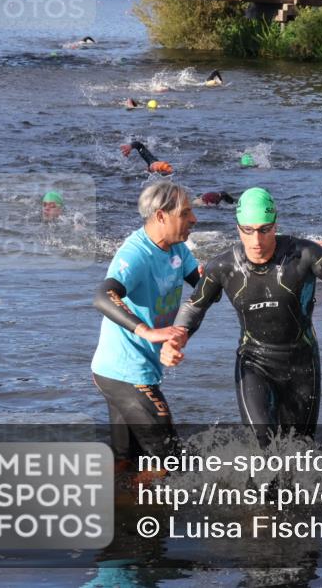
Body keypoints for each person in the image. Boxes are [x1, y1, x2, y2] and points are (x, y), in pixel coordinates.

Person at [161, 188, 322, 446]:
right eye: (247, 230)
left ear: (276, 225)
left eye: (264, 229)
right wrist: (177, 337)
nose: (256, 240)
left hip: (302, 364)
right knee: (262, 443)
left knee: (300, 448)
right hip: (254, 362)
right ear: (238, 228)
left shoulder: (303, 254)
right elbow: (194, 306)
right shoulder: (223, 266)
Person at [90, 181, 199, 473]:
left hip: (127, 370)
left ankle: (122, 514)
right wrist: (148, 332)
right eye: (185, 212)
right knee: (174, 463)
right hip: (125, 372)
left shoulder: (178, 248)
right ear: (161, 215)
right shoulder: (135, 253)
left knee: (126, 462)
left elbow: (205, 286)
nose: (194, 219)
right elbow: (103, 296)